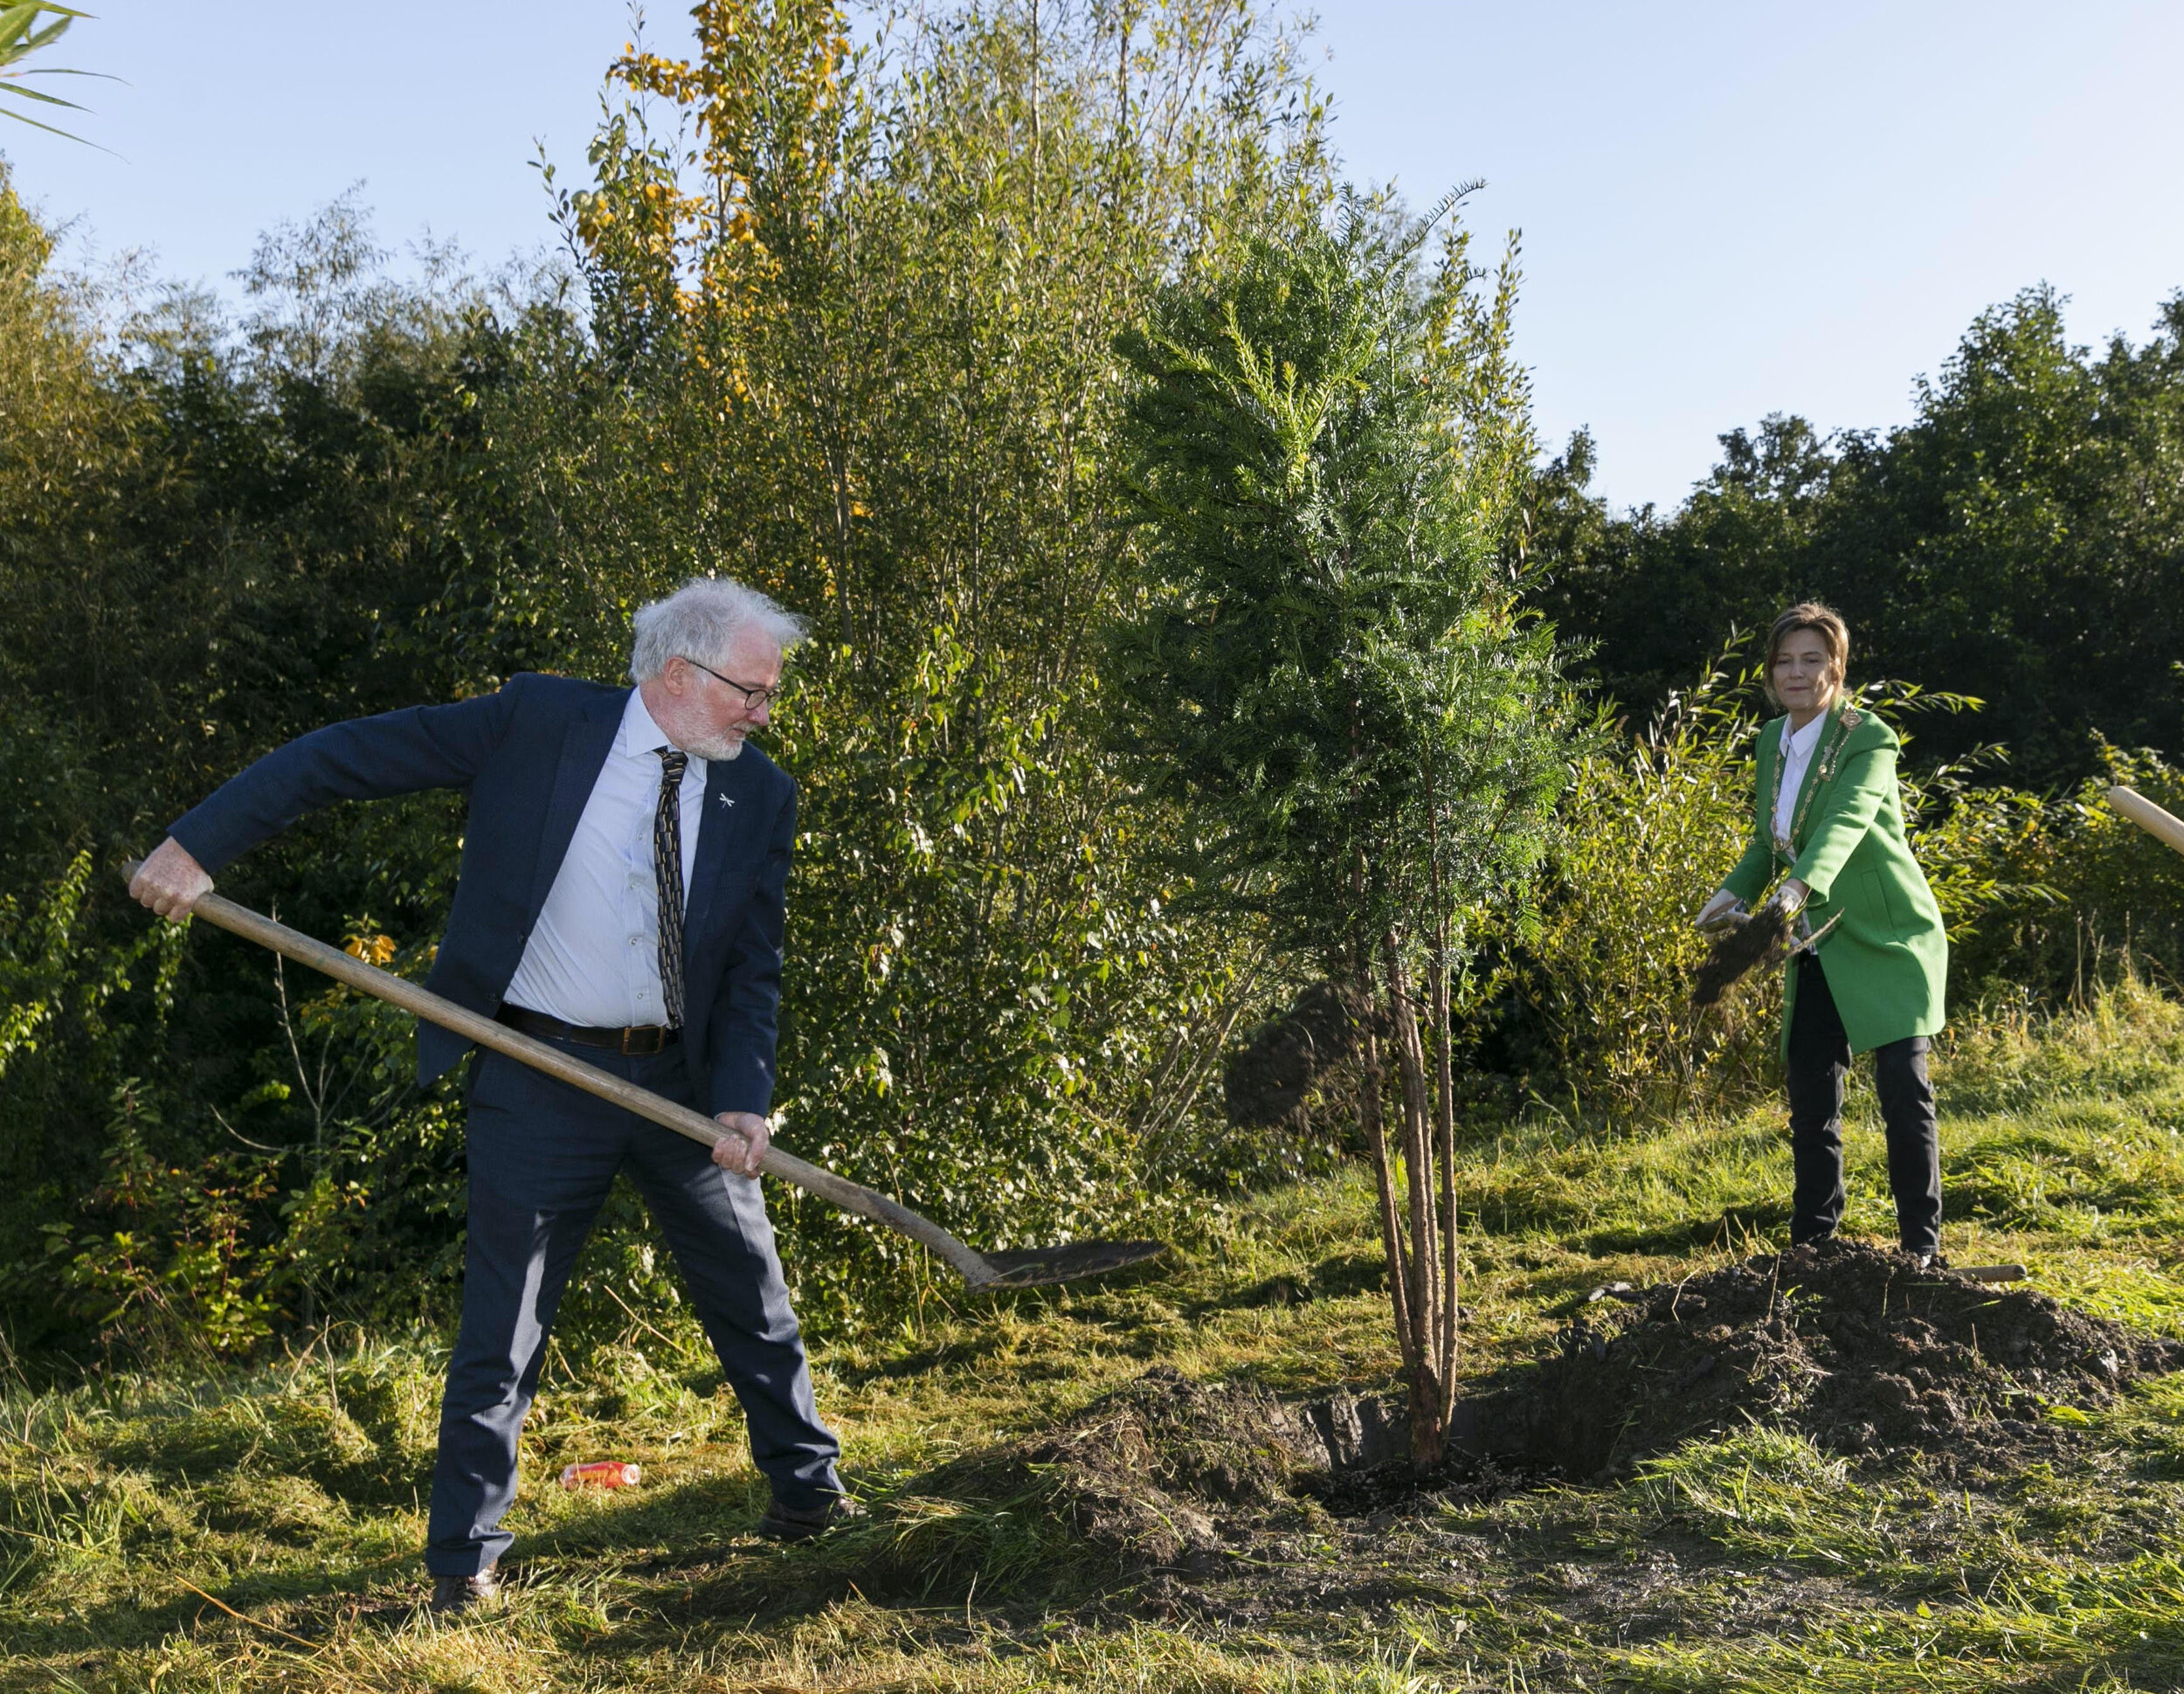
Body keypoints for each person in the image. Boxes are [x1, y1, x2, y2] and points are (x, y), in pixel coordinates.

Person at [129, 577, 859, 1612]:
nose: (764, 713)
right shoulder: (538, 723)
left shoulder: (758, 793)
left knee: (752, 1294)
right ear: (678, 673)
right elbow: (340, 756)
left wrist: (742, 1096)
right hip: (537, 1071)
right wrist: (197, 846)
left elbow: (752, 966)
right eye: (752, 690)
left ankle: (809, 1496)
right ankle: (463, 1563)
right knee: (503, 1326)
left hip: (681, 1085)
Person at [1696, 602, 1950, 1265]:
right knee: (1812, 1097)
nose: (1797, 673)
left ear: (1836, 667)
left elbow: (1845, 822)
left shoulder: (1868, 737)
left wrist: (1796, 888)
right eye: (1784, 661)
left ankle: (1920, 1250)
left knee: (1903, 1089)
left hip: (1886, 936)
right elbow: (1771, 840)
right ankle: (1813, 1247)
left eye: (1812, 659)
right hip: (1813, 938)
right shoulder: (1771, 740)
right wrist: (1732, 894)